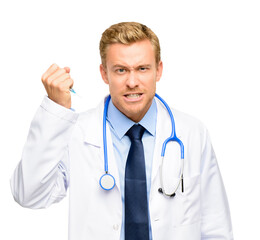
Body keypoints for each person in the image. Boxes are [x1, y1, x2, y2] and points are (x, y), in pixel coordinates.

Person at [10, 22, 233, 239]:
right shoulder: (76, 133)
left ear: (159, 70)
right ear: (104, 74)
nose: (132, 81)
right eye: (121, 70)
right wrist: (55, 110)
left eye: (142, 68)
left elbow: (215, 225)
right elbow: (29, 195)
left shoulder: (192, 132)